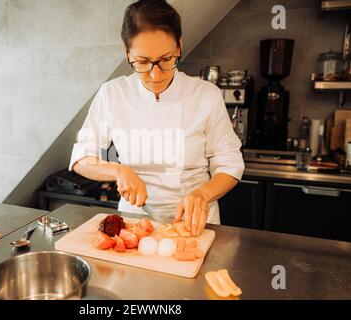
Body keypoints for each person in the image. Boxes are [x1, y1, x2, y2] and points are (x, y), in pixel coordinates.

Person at [69, 0, 244, 236]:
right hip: (135, 222)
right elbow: (81, 157)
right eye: (142, 62)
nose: (155, 74)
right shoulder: (112, 94)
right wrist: (119, 171)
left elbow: (229, 162)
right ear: (127, 53)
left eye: (165, 59)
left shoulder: (205, 95)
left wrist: (203, 194)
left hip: (195, 223)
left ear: (179, 45)